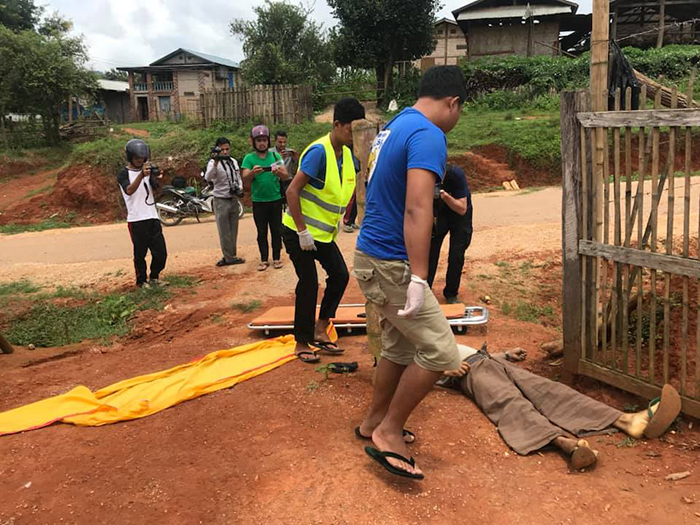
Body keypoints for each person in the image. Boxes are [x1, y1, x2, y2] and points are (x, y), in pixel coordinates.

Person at [353, 65, 467, 480]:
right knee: (441, 352)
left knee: (400, 348)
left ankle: (373, 421)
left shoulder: (395, 126)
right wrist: (419, 277)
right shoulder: (428, 135)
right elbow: (418, 208)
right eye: (460, 111)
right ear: (453, 102)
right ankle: (388, 430)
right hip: (390, 262)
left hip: (371, 255)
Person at [437, 344, 682, 470]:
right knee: (509, 403)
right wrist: (443, 370)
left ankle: (627, 421)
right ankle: (565, 444)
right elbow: (415, 372)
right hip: (469, 373)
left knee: (550, 390)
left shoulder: (424, 321)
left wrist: (504, 355)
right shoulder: (411, 338)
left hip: (488, 361)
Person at [282, 97, 366, 364]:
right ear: (337, 124)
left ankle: (321, 327)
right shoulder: (319, 152)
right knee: (308, 282)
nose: (353, 135)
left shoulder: (349, 157)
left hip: (323, 235)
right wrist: (302, 231)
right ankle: (301, 341)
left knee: (340, 275)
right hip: (298, 231)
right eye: (350, 129)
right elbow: (292, 191)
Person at [117, 139, 168, 288]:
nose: (140, 161)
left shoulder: (148, 172)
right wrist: (141, 175)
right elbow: (129, 190)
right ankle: (141, 281)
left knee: (161, 252)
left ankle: (154, 277)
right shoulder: (123, 174)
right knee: (140, 254)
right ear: (130, 157)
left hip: (152, 216)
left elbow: (157, 191)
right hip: (136, 219)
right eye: (137, 158)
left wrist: (157, 178)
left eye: (142, 158)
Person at [241, 125, 289, 271]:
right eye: (259, 140)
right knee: (261, 232)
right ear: (253, 142)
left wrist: (278, 172)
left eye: (264, 140)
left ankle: (277, 258)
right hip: (258, 201)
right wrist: (252, 173)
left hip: (275, 200)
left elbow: (285, 175)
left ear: (268, 141)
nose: (262, 143)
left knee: (276, 230)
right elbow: (245, 178)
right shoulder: (249, 158)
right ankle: (263, 259)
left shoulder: (275, 156)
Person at [427, 163, 473, 303]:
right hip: (441, 213)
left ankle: (451, 294)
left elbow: (462, 208)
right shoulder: (426, 175)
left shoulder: (455, 174)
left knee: (456, 255)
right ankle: (425, 290)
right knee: (431, 251)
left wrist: (444, 195)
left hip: (460, 214)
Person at [204, 137, 245, 267]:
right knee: (224, 231)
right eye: (222, 149)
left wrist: (240, 188)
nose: (225, 152)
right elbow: (208, 177)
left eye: (227, 149)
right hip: (221, 200)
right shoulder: (213, 162)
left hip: (233, 199)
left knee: (233, 230)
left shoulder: (233, 161)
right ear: (218, 149)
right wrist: (216, 163)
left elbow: (238, 177)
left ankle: (231, 255)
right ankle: (229, 258)